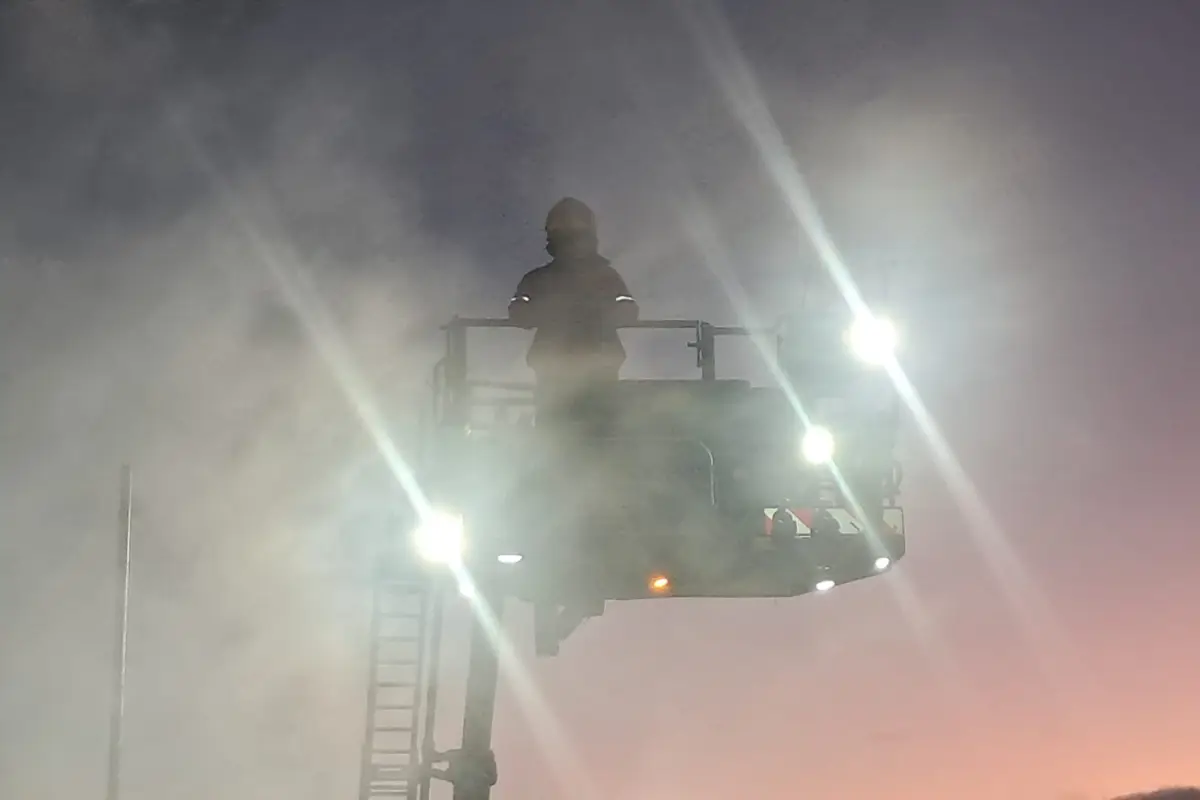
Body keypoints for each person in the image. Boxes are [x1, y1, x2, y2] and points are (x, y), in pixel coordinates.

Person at [508, 197, 638, 433]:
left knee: (558, 435)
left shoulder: (538, 279)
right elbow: (628, 310)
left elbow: (519, 313)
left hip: (571, 371)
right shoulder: (606, 277)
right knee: (599, 435)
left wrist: (554, 312)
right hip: (583, 370)